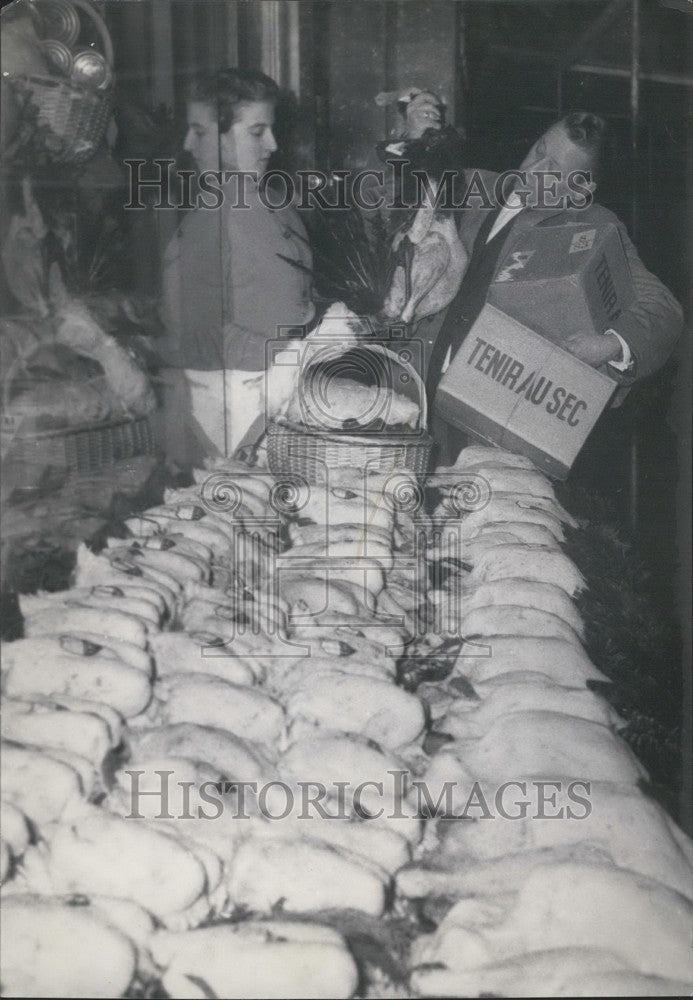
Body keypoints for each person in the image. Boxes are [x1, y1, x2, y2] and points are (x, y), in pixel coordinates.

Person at [402, 99, 683, 464]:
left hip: (488, 431)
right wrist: (414, 142)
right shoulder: (471, 185)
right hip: (408, 396)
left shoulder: (594, 226)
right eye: (539, 149)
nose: (533, 168)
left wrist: (611, 345)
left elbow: (664, 310)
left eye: (554, 169)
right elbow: (393, 204)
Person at [159, 69, 313, 466]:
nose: (273, 145)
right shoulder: (221, 212)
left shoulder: (268, 204)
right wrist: (297, 350)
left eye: (268, 130)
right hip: (236, 423)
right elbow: (191, 336)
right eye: (258, 132)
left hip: (269, 415)